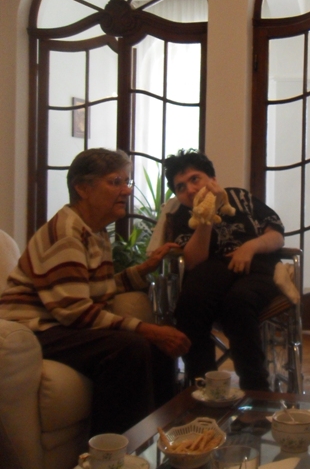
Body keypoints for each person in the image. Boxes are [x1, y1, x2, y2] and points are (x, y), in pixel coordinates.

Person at [0, 148, 191, 435]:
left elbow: (97, 290)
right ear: (82, 188)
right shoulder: (66, 233)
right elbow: (75, 312)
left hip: (61, 323)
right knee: (130, 347)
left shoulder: (94, 231)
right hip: (34, 330)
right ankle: (114, 450)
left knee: (155, 346)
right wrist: (148, 330)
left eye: (127, 182)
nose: (127, 190)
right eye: (116, 182)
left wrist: (145, 269)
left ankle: (163, 435)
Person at [152, 149, 285, 391]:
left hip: (256, 267)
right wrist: (206, 218)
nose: (190, 189)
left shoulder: (240, 197)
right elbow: (193, 261)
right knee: (190, 301)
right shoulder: (181, 214)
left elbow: (276, 235)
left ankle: (256, 389)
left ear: (212, 179)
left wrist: (250, 247)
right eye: (181, 187)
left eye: (195, 179)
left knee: (239, 302)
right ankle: (203, 386)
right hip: (212, 270)